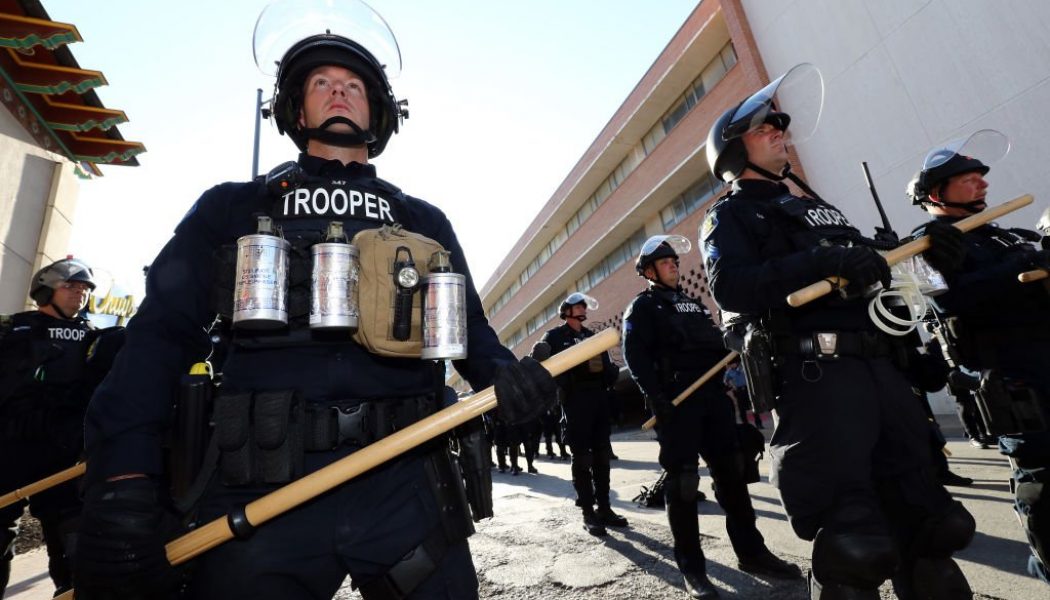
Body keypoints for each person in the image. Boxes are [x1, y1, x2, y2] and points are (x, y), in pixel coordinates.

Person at [72, 2, 555, 599]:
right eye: (321, 83)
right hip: (263, 480)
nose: (338, 92)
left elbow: (472, 336)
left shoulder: (421, 220)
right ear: (294, 107)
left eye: (352, 85)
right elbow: (160, 336)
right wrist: (122, 475)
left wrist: (511, 380)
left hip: (406, 481)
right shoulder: (232, 206)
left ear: (377, 108)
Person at [700, 70, 976, 599]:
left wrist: (924, 253)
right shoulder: (732, 214)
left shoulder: (821, 210)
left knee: (933, 528)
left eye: (780, 122)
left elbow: (882, 279)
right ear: (733, 152)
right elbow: (731, 287)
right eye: (765, 127)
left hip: (884, 375)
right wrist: (819, 261)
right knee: (855, 544)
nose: (780, 128)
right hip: (819, 380)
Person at [622, 235, 800, 598]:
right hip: (677, 403)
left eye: (674, 260)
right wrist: (655, 397)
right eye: (665, 261)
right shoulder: (641, 308)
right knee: (684, 484)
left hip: (713, 400)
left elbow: (715, 346)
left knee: (733, 476)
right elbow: (635, 357)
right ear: (649, 270)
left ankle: (752, 553)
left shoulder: (693, 303)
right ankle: (692, 569)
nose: (674, 264)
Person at [908, 138, 1050, 582]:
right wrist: (1020, 265)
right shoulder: (925, 245)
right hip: (1010, 377)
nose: (981, 183)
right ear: (936, 193)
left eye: (980, 176)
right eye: (967, 179)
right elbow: (950, 302)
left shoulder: (1009, 233)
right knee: (1043, 483)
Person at [0, 258, 115, 598]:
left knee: (71, 538)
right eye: (71, 287)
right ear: (45, 291)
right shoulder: (11, 330)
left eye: (84, 290)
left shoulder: (99, 340)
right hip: (9, 448)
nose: (79, 294)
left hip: (63, 453)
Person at [541, 293, 626, 537]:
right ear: (566, 310)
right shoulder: (555, 336)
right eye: (577, 305)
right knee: (582, 459)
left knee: (601, 457)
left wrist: (606, 370)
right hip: (575, 402)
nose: (582, 308)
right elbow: (549, 370)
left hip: (598, 400)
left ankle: (605, 509)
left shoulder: (591, 337)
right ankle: (588, 513)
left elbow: (609, 368)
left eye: (583, 305)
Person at [722, 360, 762, 429]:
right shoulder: (729, 372)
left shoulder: (743, 368)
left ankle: (758, 423)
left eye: (732, 364)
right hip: (738, 390)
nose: (731, 365)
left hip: (747, 389)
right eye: (730, 364)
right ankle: (745, 425)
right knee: (741, 408)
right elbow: (725, 381)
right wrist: (732, 386)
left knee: (753, 406)